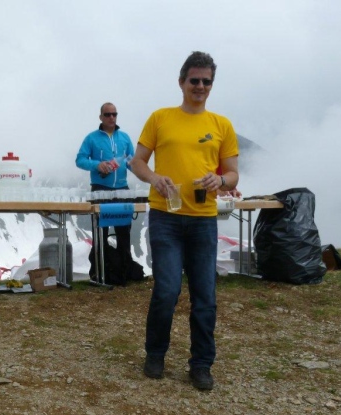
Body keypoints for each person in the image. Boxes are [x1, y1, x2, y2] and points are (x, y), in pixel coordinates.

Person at [130, 51, 239, 390]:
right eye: (195, 80)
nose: (200, 86)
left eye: (207, 81)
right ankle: (155, 354)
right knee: (167, 290)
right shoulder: (160, 118)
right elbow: (137, 162)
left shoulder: (221, 125)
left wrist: (220, 180)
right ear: (181, 82)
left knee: (205, 296)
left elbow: (233, 174)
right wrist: (155, 178)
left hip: (204, 220)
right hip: (166, 217)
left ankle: (201, 364)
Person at [76, 103, 135, 279]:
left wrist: (143, 170)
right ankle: (98, 272)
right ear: (100, 117)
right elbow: (80, 160)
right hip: (100, 189)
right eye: (107, 114)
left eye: (114, 114)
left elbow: (132, 161)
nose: (111, 117)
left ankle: (125, 272)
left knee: (124, 232)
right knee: (100, 232)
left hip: (122, 189)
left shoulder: (124, 137)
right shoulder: (91, 138)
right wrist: (97, 165)